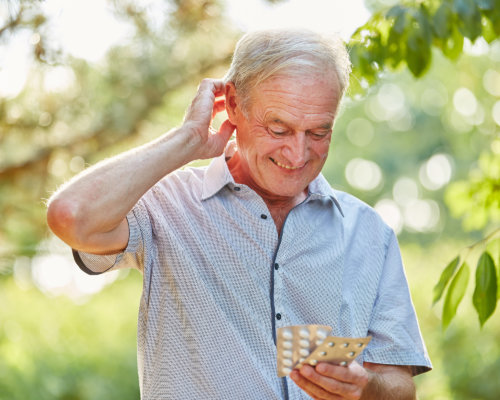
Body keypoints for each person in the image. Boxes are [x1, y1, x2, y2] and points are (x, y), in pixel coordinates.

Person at [47, 28, 431, 399]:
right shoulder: (165, 205)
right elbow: (71, 216)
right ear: (233, 105)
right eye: (278, 129)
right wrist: (187, 141)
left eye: (318, 132)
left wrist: (365, 389)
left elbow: (399, 385)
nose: (298, 155)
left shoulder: (370, 233)